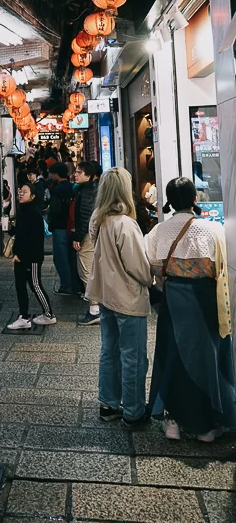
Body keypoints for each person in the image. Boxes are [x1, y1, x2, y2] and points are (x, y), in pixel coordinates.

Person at [146, 177, 236, 442]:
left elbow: (151, 265)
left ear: (169, 200)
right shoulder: (212, 229)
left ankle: (172, 419)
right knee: (209, 357)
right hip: (207, 300)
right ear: (195, 199)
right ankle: (208, 423)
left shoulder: (160, 231)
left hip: (174, 299)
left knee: (172, 355)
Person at [87, 168, 152, 429]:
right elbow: (139, 267)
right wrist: (151, 278)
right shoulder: (125, 223)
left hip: (105, 294)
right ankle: (134, 411)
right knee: (133, 356)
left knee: (109, 351)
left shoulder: (98, 219)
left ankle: (108, 403)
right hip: (127, 297)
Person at [7, 182, 56, 329]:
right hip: (22, 256)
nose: (21, 193)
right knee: (20, 286)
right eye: (20, 191)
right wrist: (9, 228)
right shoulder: (23, 210)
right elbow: (20, 233)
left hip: (32, 257)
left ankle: (49, 315)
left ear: (33, 196)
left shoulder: (34, 213)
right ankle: (24, 317)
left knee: (35, 285)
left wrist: (20, 254)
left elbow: (33, 239)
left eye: (25, 192)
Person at [73, 161, 100, 325]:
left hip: (88, 236)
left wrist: (78, 236)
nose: (75, 174)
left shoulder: (88, 192)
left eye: (79, 172)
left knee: (86, 269)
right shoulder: (93, 189)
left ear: (89, 175)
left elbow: (85, 216)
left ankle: (95, 308)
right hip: (94, 234)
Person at [48, 162, 81, 296]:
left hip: (61, 227)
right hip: (73, 227)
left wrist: (51, 224)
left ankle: (66, 286)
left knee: (61, 258)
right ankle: (76, 286)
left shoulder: (57, 190)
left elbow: (55, 211)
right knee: (73, 258)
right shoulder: (74, 188)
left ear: (56, 174)